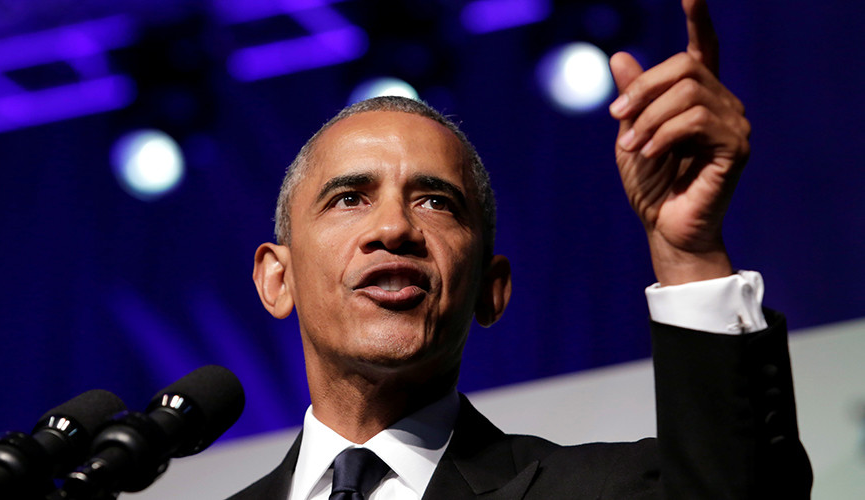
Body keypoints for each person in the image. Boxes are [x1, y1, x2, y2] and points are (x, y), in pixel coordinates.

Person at [229, 0, 812, 498]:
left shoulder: (608, 489)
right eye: (350, 198)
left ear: (491, 288)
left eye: (436, 202)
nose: (395, 229)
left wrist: (690, 255)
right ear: (277, 279)